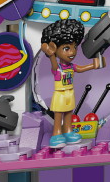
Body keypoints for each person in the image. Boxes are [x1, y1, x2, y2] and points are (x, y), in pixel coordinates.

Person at [39, 18, 104, 147]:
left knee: (69, 113)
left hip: (69, 93)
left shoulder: (71, 66)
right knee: (59, 114)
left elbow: (80, 68)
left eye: (74, 47)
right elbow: (53, 63)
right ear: (55, 49)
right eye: (67, 48)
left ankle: (68, 131)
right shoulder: (57, 68)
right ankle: (56, 134)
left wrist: (93, 65)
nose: (72, 52)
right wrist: (51, 54)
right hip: (60, 93)